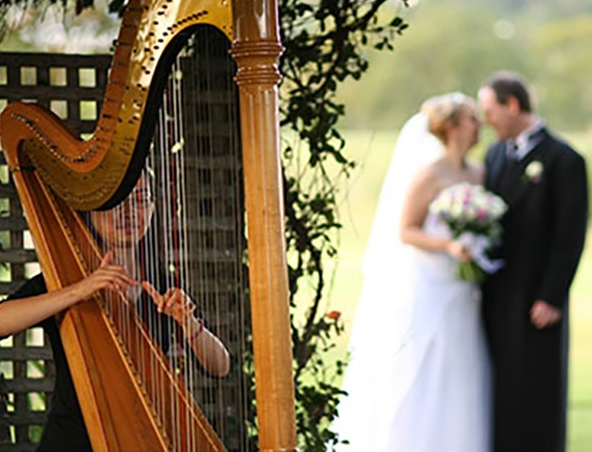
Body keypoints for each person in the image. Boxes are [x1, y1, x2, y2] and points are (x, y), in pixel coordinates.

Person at [0, 172, 230, 452]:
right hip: (72, 440)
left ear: (153, 208)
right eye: (118, 201)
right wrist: (79, 290)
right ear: (92, 208)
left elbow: (220, 366)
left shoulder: (160, 283)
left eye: (141, 199)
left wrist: (189, 323)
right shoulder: (64, 278)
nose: (130, 212)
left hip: (143, 437)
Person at [330, 92, 492, 452]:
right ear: (451, 127)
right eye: (471, 119)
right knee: (424, 367)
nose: (479, 125)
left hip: (463, 289)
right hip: (430, 283)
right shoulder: (428, 174)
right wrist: (449, 246)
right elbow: (406, 230)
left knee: (462, 368)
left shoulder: (479, 172)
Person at [478, 71, 588, 452]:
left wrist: (552, 296)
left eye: (490, 110)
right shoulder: (493, 155)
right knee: (500, 389)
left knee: (537, 390)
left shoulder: (564, 160)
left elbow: (570, 234)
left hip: (537, 299)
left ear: (512, 105)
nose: (486, 119)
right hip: (495, 296)